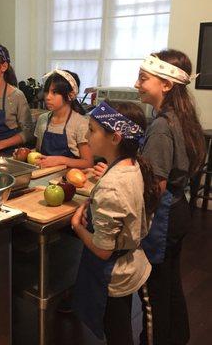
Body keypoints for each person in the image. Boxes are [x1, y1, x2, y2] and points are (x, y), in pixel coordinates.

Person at [71, 101, 159, 345]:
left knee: (118, 332)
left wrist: (78, 226)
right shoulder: (133, 164)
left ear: (115, 138)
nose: (87, 137)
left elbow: (103, 249)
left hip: (115, 273)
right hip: (132, 261)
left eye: (92, 130)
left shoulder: (112, 186)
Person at [134, 50, 206, 344]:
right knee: (170, 283)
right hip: (178, 209)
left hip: (162, 217)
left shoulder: (162, 126)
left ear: (166, 84)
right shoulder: (178, 116)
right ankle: (178, 337)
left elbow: (155, 185)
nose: (136, 84)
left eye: (142, 78)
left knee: (152, 294)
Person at [34, 69, 93, 169]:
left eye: (54, 92)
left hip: (68, 179)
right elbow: (38, 152)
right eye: (46, 91)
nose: (48, 97)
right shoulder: (42, 119)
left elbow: (88, 163)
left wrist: (61, 160)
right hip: (43, 175)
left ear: (70, 95)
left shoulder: (80, 124)